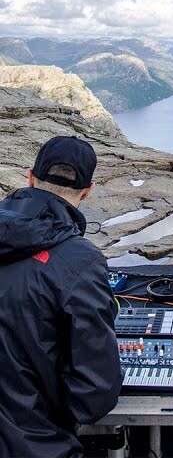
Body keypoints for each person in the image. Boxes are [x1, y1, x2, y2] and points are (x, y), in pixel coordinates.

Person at [0, 135, 123, 458]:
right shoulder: (80, 261)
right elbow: (94, 394)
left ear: (30, 177)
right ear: (87, 191)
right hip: (36, 445)